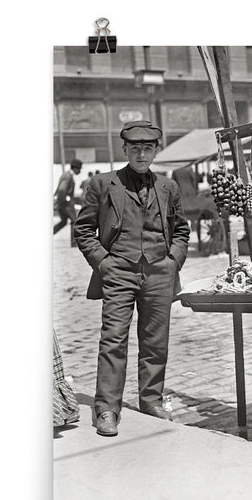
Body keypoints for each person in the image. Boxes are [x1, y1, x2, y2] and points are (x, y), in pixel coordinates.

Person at [73, 120, 190, 437]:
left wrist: (172, 261)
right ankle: (107, 409)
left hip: (158, 272)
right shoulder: (102, 184)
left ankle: (151, 401)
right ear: (125, 149)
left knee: (156, 342)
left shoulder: (168, 187)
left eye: (147, 148)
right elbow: (83, 230)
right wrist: (104, 263)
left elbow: (181, 230)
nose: (141, 154)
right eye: (135, 148)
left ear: (155, 151)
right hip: (118, 271)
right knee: (113, 339)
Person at [53, 158, 82, 235]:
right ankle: (74, 244)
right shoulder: (68, 176)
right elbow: (62, 190)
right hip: (66, 204)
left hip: (62, 202)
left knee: (63, 222)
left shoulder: (65, 174)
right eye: (79, 169)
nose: (80, 171)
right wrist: (65, 199)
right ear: (76, 168)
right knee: (75, 221)